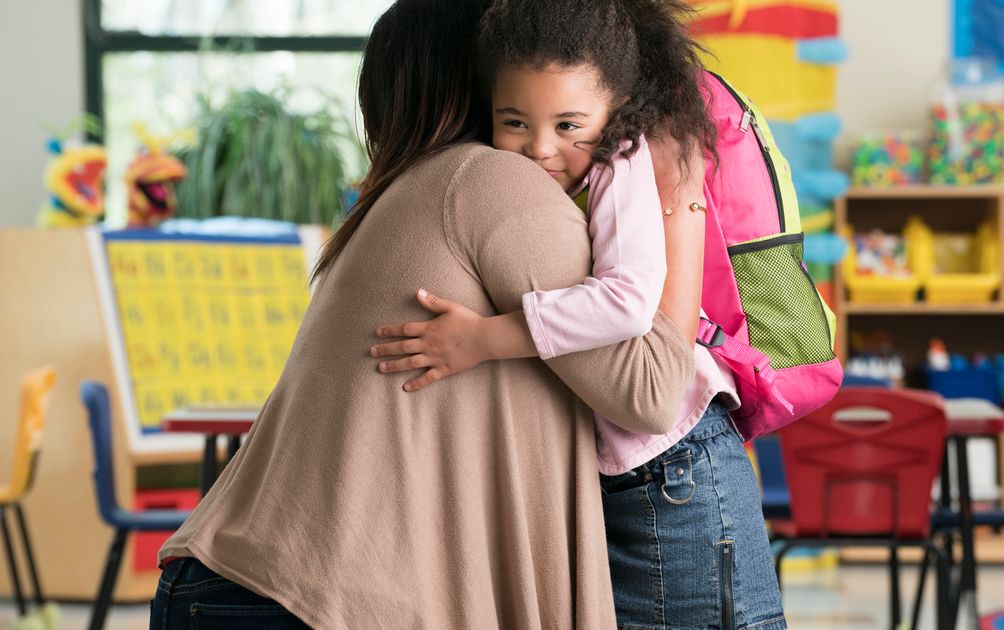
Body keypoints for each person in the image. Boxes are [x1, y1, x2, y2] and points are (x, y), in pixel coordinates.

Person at [148, 1, 697, 627]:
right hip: (298, 603)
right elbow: (652, 392)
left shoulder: (409, 191)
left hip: (244, 588)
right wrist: (681, 195)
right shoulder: (491, 182)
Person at [370, 1, 787, 627]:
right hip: (625, 481)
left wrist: (483, 339)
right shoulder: (537, 172)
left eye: (568, 126)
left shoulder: (625, 159)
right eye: (515, 122)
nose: (540, 147)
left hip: (673, 475)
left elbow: (626, 303)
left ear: (613, 113)